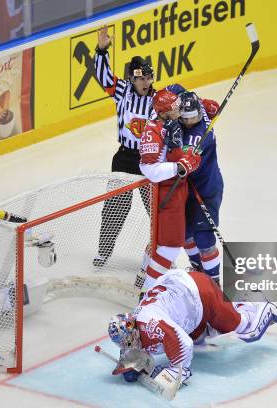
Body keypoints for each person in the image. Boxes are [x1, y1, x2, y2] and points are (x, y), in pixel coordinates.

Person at [107, 268, 277, 392]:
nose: (128, 345)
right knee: (201, 340)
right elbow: (130, 349)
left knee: (240, 327)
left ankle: (260, 306)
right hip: (184, 302)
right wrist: (130, 366)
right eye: (125, 343)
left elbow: (181, 341)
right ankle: (227, 311)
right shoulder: (130, 327)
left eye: (128, 341)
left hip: (200, 292)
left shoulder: (150, 324)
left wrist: (177, 370)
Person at [92, 25, 156, 268]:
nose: (146, 81)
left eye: (148, 77)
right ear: (132, 78)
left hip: (149, 161)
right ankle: (103, 252)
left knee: (158, 210)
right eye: (141, 77)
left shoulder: (157, 99)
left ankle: (159, 255)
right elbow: (103, 76)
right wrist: (101, 49)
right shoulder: (122, 91)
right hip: (124, 159)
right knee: (115, 208)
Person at [138, 89, 201, 290]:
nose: (179, 110)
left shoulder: (169, 122)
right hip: (166, 195)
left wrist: (186, 156)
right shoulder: (153, 131)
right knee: (170, 248)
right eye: (174, 108)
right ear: (164, 112)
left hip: (176, 191)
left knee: (162, 244)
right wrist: (180, 166)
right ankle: (147, 294)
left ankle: (143, 275)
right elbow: (148, 169)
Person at [178, 91, 224, 284]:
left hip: (206, 190)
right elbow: (175, 87)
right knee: (185, 233)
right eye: (185, 119)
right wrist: (204, 101)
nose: (189, 122)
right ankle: (198, 269)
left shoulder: (198, 137)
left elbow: (184, 165)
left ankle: (213, 283)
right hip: (188, 190)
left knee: (203, 238)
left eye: (193, 118)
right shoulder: (202, 108)